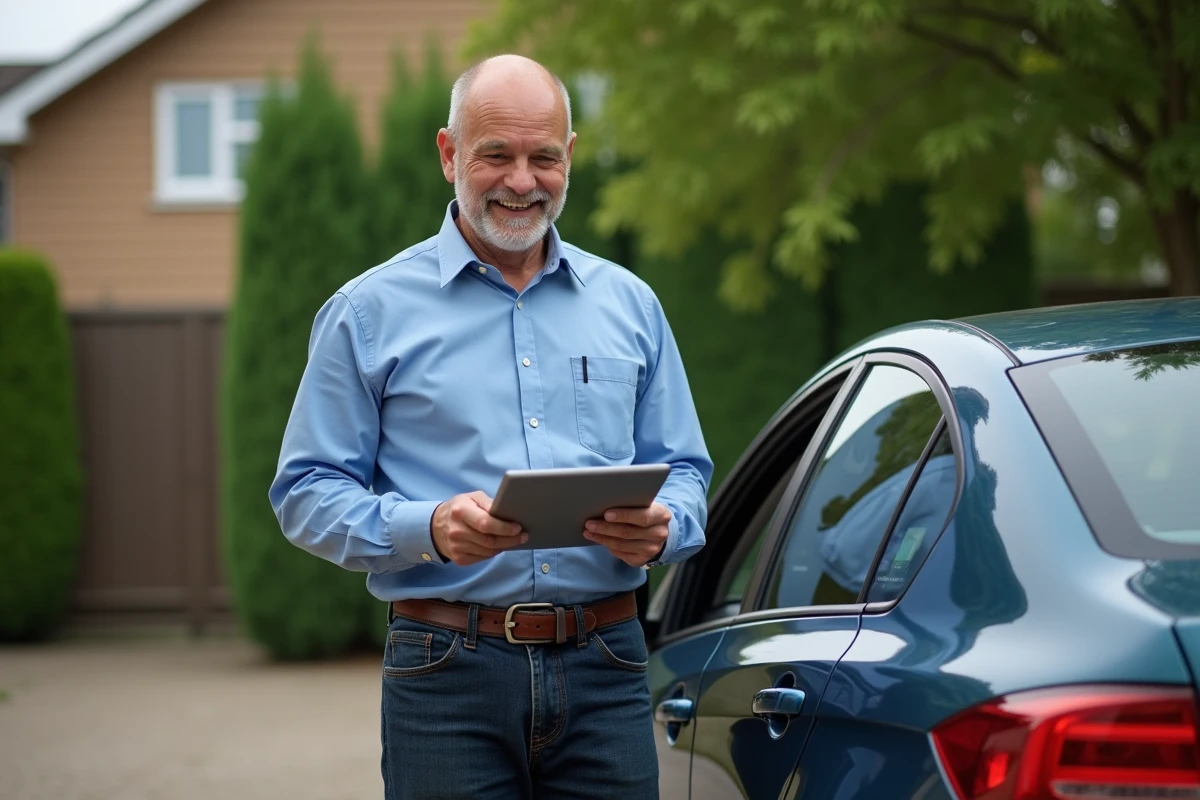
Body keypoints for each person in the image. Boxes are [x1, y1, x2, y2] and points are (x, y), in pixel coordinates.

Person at [269, 54, 712, 799]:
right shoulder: (367, 312)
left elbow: (687, 469)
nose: (521, 181)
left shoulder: (632, 305)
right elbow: (305, 492)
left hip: (609, 664)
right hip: (445, 671)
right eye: (495, 155)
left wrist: (667, 526)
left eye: (543, 157)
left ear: (569, 158)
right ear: (449, 155)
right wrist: (427, 527)